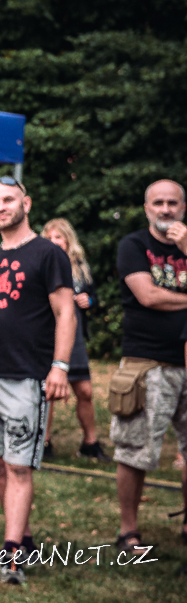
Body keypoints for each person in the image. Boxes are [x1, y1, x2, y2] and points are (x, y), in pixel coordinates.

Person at [0, 176, 75, 585]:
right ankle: (22, 537)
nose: (1, 207)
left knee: (19, 466)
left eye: (8, 199)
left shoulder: (48, 253)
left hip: (27, 377)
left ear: (26, 203)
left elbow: (65, 312)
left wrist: (60, 366)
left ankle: (10, 556)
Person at [112, 179, 187, 555]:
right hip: (147, 363)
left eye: (173, 202)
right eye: (158, 202)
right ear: (146, 208)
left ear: (183, 207)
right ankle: (128, 530)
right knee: (135, 450)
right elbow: (148, 295)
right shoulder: (134, 245)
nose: (166, 209)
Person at [40, 218, 109, 461]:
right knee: (47, 392)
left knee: (85, 390)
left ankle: (90, 443)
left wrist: (87, 300)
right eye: (49, 238)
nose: (54, 242)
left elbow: (94, 296)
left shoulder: (80, 267)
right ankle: (43, 443)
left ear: (68, 240)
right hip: (49, 334)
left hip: (75, 336)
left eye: (58, 237)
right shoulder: (41, 264)